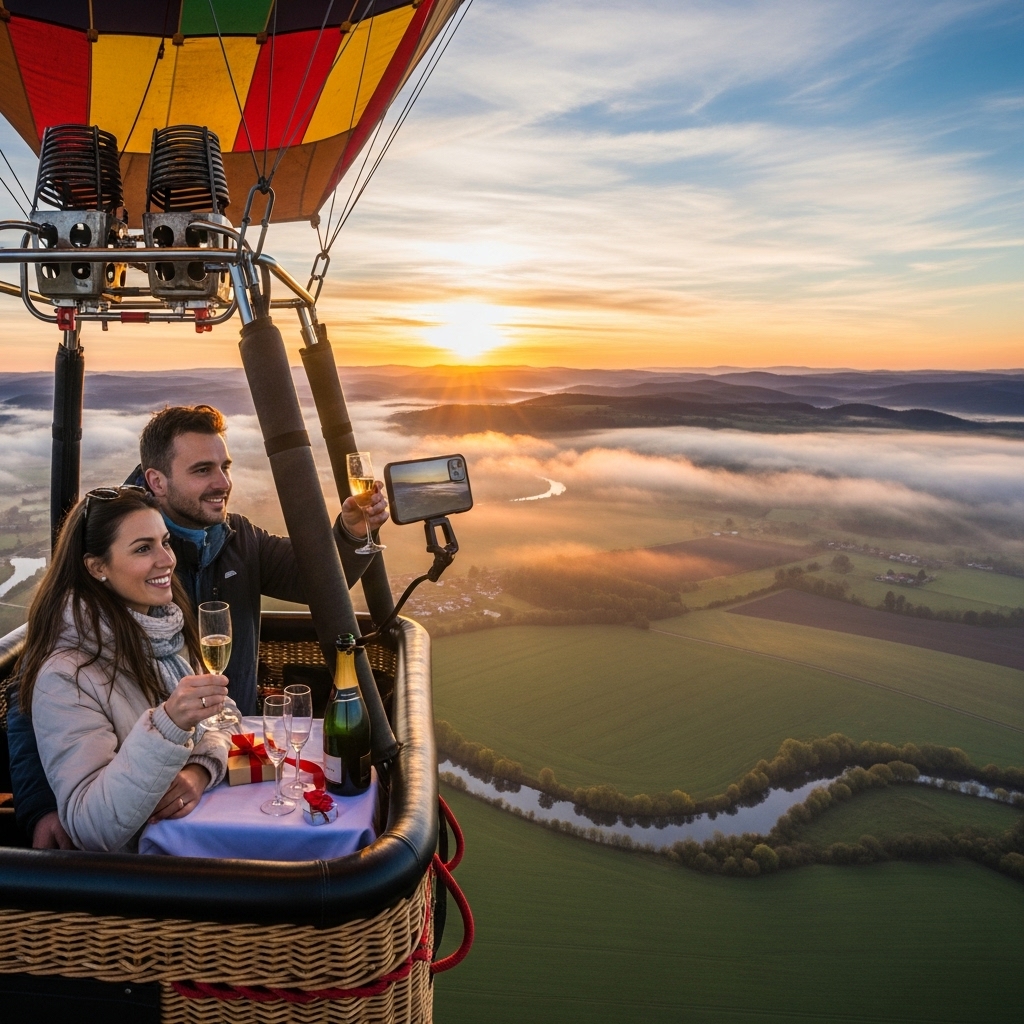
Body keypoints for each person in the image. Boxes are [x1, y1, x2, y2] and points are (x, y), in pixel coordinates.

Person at [8, 403, 389, 849]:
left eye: (224, 467)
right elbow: (37, 699)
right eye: (203, 469)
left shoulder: (236, 538)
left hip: (219, 761)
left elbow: (317, 581)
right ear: (157, 481)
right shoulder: (108, 557)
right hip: (135, 814)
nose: (223, 483)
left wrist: (349, 532)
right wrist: (40, 807)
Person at [17, 487, 235, 853]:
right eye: (142, 548)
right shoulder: (66, 675)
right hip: (136, 885)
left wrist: (198, 771)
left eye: (164, 542)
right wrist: (168, 725)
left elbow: (223, 716)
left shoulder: (165, 629)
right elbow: (90, 828)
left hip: (188, 850)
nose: (166, 559)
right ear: (97, 567)